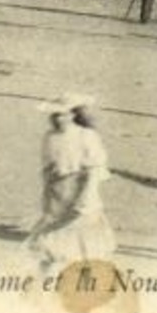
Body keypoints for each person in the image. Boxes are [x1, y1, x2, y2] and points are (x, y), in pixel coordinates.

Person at [26, 93, 117, 279]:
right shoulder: (50, 138)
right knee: (53, 235)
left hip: (80, 189)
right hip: (58, 192)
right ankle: (51, 273)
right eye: (55, 115)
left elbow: (94, 169)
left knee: (84, 235)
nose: (59, 119)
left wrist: (86, 196)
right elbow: (47, 168)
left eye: (64, 114)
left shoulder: (86, 136)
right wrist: (47, 193)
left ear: (73, 115)